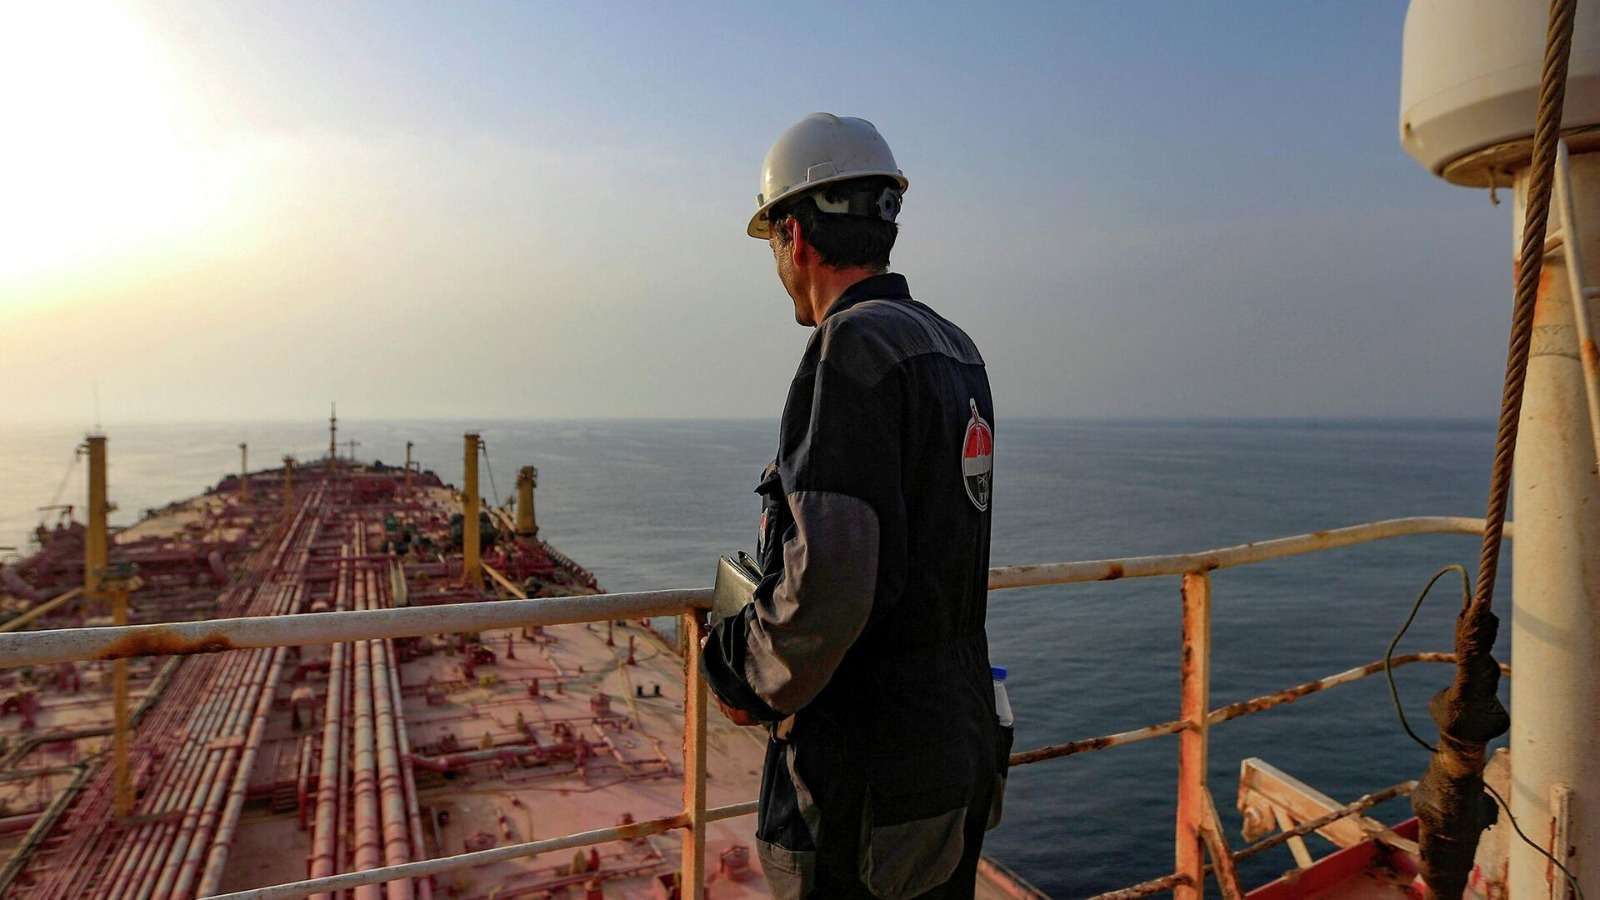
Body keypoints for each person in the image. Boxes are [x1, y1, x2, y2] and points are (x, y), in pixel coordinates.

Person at [701, 113, 1004, 900]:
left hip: (865, 783)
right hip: (955, 745)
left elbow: (830, 586)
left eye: (771, 242)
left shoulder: (849, 351)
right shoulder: (954, 348)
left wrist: (734, 671)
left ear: (794, 236)